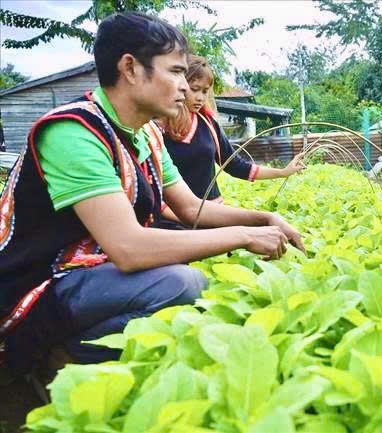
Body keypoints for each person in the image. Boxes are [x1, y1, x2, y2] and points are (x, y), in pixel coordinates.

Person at [0, 12, 303, 375]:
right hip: (37, 285)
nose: (185, 87)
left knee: (179, 256)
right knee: (180, 283)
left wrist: (264, 219)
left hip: (88, 273)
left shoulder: (145, 134)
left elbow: (191, 208)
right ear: (130, 68)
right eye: (175, 72)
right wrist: (243, 236)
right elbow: (129, 249)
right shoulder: (73, 132)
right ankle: (57, 358)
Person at [156, 55, 304, 228]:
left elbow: (236, 166)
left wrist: (282, 172)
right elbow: (151, 185)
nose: (200, 98)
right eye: (194, 89)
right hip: (170, 221)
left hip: (212, 216)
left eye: (205, 91)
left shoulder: (208, 125)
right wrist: (180, 216)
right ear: (179, 85)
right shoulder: (155, 129)